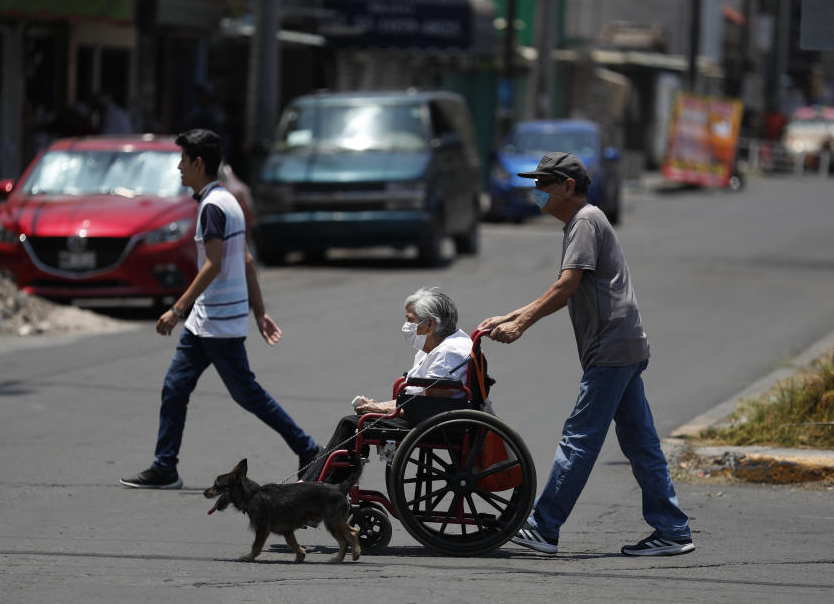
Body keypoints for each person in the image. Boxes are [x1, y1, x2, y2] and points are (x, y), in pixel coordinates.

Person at [477, 152, 694, 557]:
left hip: (611, 349)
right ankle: (673, 529)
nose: (537, 192)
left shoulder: (585, 222)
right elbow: (562, 285)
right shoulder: (585, 222)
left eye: (544, 184)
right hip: (623, 345)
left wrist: (521, 325)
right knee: (641, 442)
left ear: (568, 187)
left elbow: (566, 287)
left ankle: (544, 526)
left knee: (579, 439)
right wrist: (511, 314)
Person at [120, 129, 319, 489]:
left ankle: (307, 448)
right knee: (175, 388)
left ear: (199, 163)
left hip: (219, 323)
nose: (179, 168)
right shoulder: (229, 201)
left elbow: (213, 264)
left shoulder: (212, 206)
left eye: (183, 161)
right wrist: (259, 312)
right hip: (207, 321)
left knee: (247, 394)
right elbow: (245, 260)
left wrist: (176, 309)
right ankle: (165, 467)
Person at [300, 288, 471, 483]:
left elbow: (430, 402)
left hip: (433, 422)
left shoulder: (447, 354)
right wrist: (382, 406)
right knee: (360, 420)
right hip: (427, 413)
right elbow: (420, 396)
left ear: (430, 324)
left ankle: (311, 486)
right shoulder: (439, 346)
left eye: (410, 320)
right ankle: (328, 484)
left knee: (351, 424)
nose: (406, 326)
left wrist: (384, 409)